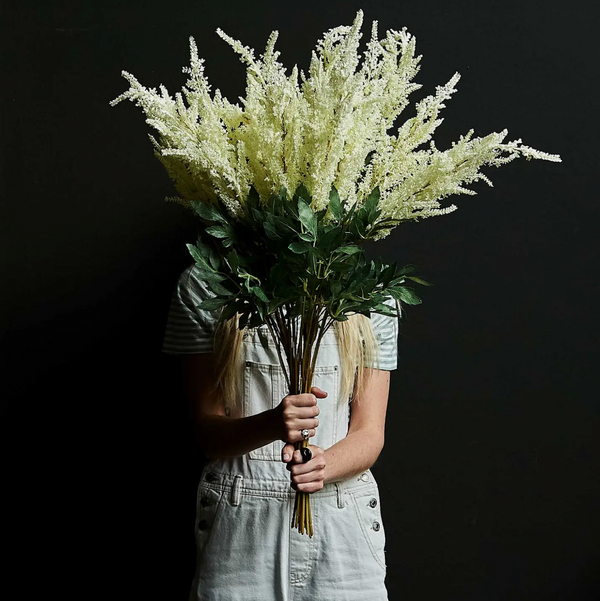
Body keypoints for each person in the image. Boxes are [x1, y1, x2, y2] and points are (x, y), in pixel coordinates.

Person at [162, 263, 399, 601]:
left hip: (342, 524)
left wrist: (322, 466)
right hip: (240, 522)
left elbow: (370, 433)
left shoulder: (372, 290)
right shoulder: (205, 282)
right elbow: (206, 431)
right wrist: (271, 424)